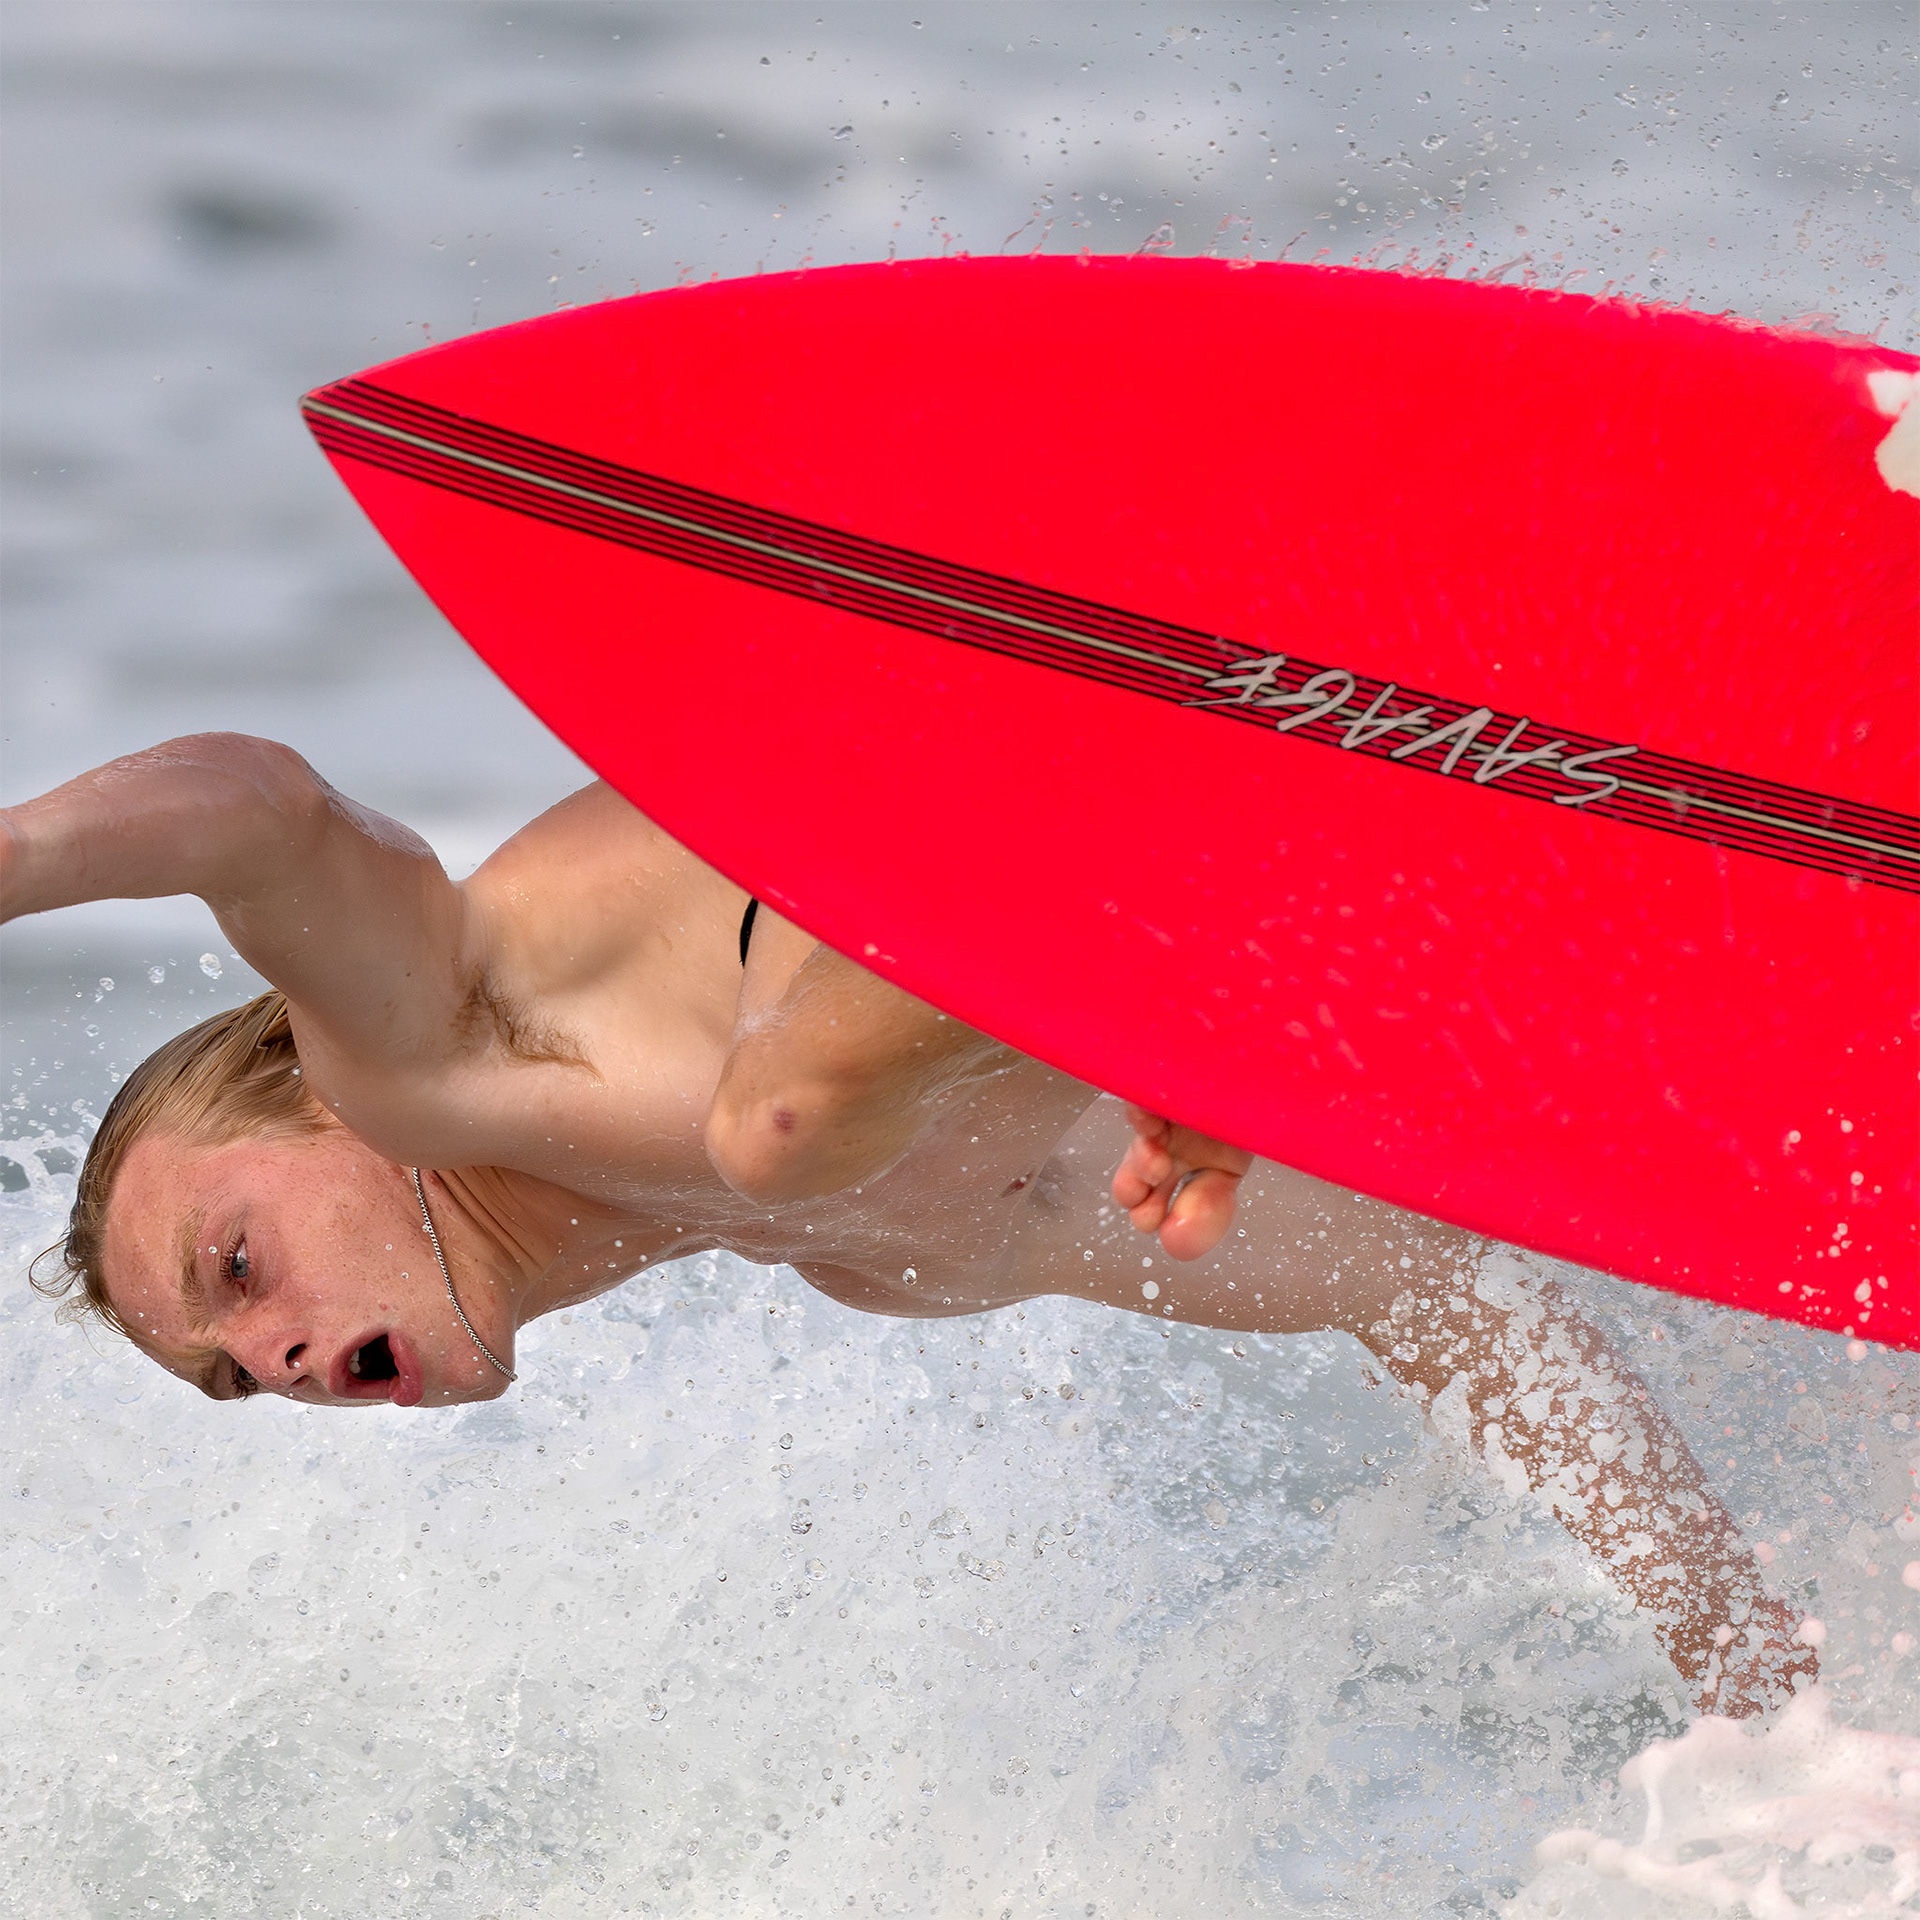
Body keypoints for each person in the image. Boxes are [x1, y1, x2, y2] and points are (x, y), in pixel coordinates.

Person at [1, 732, 1812, 1715]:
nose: (274, 1357)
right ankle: (1170, 1002)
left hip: (1030, 744)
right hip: (1311, 868)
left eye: (236, 1265)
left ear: (306, 1098)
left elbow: (257, 812)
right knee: (815, 1165)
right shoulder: (902, 1261)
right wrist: (1751, 1681)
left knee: (780, 1131)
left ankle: (1143, 983)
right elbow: (1446, 1305)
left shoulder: (421, 1051)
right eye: (231, 1373)